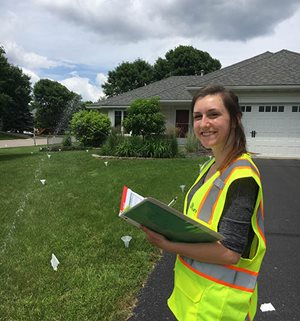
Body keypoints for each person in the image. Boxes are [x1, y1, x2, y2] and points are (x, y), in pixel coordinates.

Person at [142, 84, 266, 321]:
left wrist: (168, 245)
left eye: (214, 114)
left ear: (235, 119)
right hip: (193, 296)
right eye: (197, 116)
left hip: (218, 307)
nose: (203, 123)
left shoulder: (241, 177)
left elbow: (230, 254)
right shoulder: (213, 166)